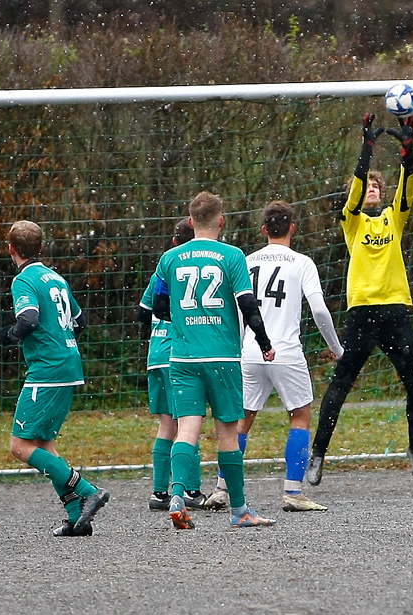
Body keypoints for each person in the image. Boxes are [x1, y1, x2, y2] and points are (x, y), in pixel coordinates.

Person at [307, 113, 413, 486]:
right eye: (369, 186)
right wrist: (367, 150)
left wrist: (408, 153)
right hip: (361, 314)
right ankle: (317, 455)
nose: (372, 189)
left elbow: (408, 188)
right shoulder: (353, 220)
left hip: (395, 311)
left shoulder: (394, 218)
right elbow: (356, 188)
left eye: (378, 185)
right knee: (340, 384)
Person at [203, 200, 344, 512]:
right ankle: (293, 493)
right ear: (292, 228)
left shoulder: (246, 260)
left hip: (250, 351)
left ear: (264, 229)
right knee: (300, 416)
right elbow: (319, 309)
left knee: (241, 421)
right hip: (286, 352)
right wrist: (335, 346)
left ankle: (221, 490)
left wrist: (239, 347)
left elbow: (238, 311)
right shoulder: (302, 263)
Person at [151, 191, 277, 529]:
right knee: (227, 433)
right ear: (221, 220)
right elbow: (248, 304)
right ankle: (239, 511)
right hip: (221, 356)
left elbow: (159, 307)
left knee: (186, 429)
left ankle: (176, 495)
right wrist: (264, 341)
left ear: (191, 223)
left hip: (182, 357)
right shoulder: (231, 256)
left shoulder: (171, 258)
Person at [0, 219, 109, 537]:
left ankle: (88, 491)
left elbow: (29, 320)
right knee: (45, 443)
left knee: (20, 446)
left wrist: (7, 335)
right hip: (68, 363)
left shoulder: (24, 280)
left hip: (47, 368)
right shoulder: (55, 278)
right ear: (41, 248)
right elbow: (79, 321)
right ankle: (77, 517)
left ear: (11, 250)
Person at [137, 218, 207, 511]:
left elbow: (143, 313)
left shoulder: (161, 271)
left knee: (167, 425)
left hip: (156, 355)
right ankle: (190, 489)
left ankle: (159, 493)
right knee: (189, 424)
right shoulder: (192, 269)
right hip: (179, 356)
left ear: (173, 240)